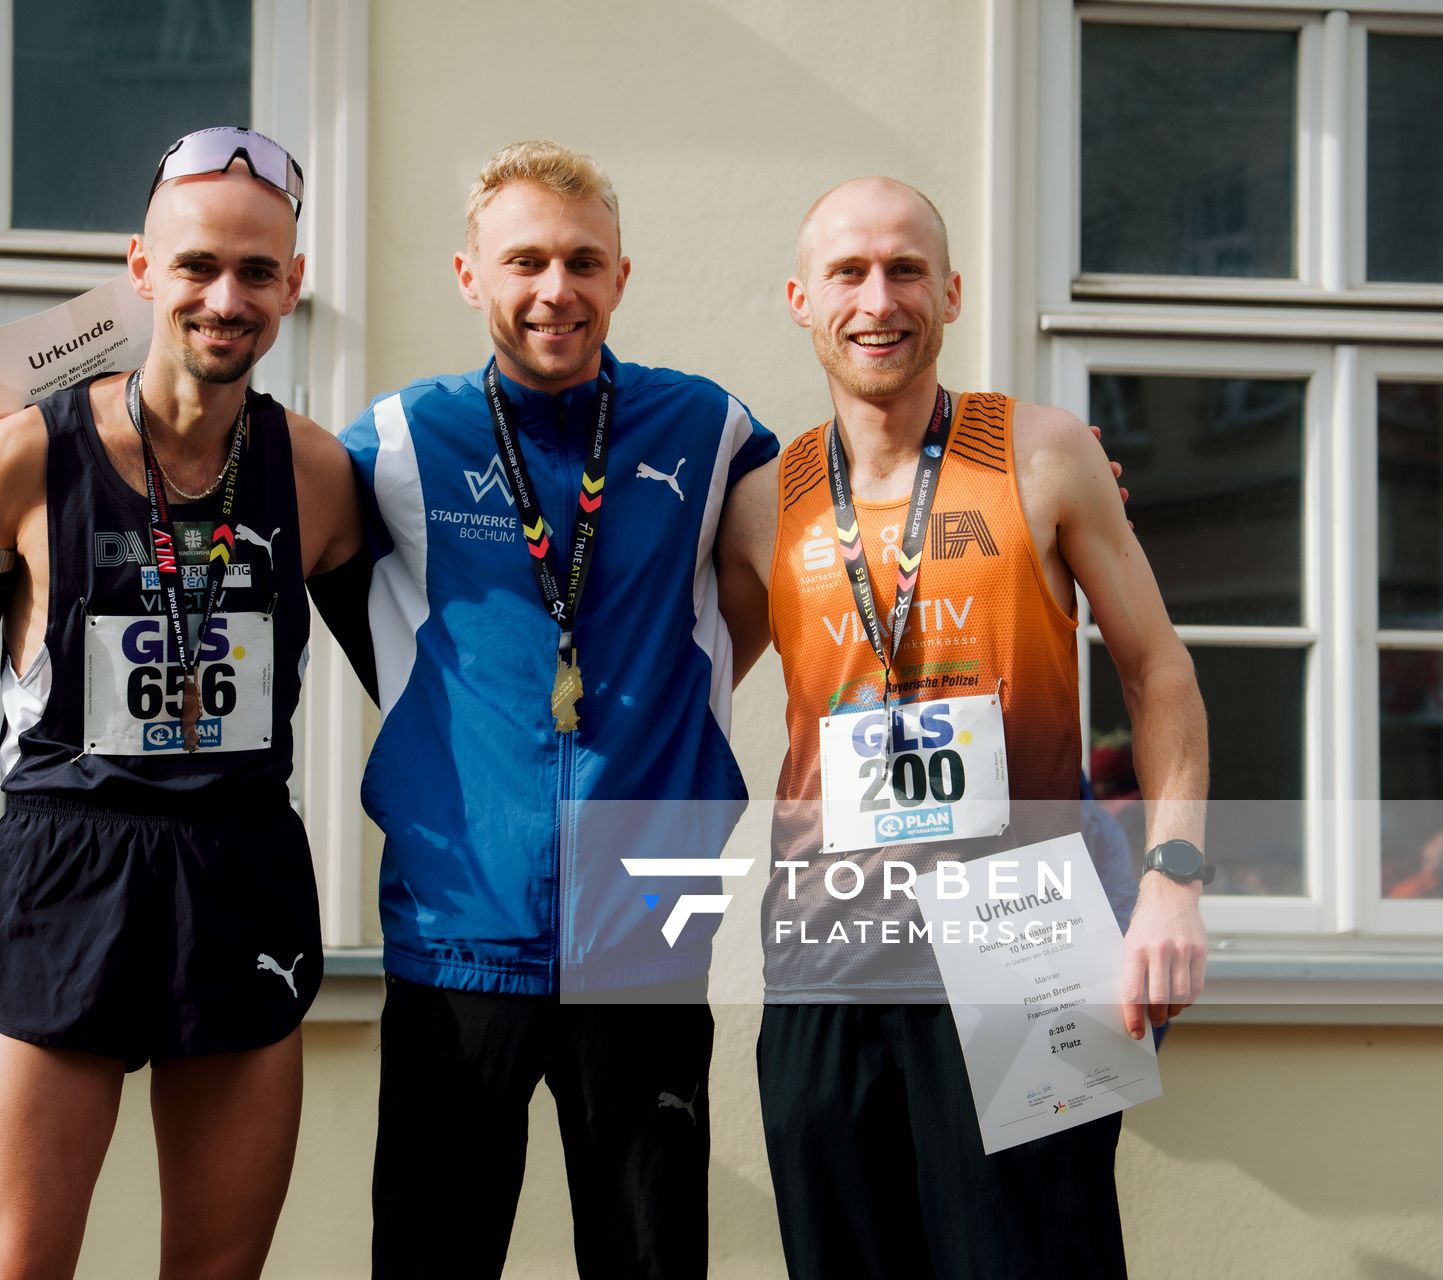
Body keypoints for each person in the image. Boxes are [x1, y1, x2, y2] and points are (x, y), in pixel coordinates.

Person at [0, 126, 363, 1279]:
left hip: (241, 876)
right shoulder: (18, 459)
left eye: (256, 271)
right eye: (197, 265)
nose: (224, 296)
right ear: (141, 268)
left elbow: (428, 689)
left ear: (293, 286)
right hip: (67, 874)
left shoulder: (321, 475)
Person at [714, 176, 1211, 1278]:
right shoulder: (761, 501)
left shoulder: (1043, 452)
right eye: (848, 271)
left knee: (1035, 1257)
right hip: (827, 944)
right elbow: (680, 690)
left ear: (951, 290)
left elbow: (1159, 669)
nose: (877, 298)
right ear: (801, 297)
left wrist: (1172, 881)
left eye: (904, 268)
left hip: (1024, 930)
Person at [338, 140, 779, 1278]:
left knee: (651, 1257)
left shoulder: (710, 429)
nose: (555, 288)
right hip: (458, 918)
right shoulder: (398, 438)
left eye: (584, 261)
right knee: (434, 1255)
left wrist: (1025, 478)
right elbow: (224, 491)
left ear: (621, 277)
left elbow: (840, 538)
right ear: (468, 273)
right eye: (524, 259)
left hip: (651, 919)